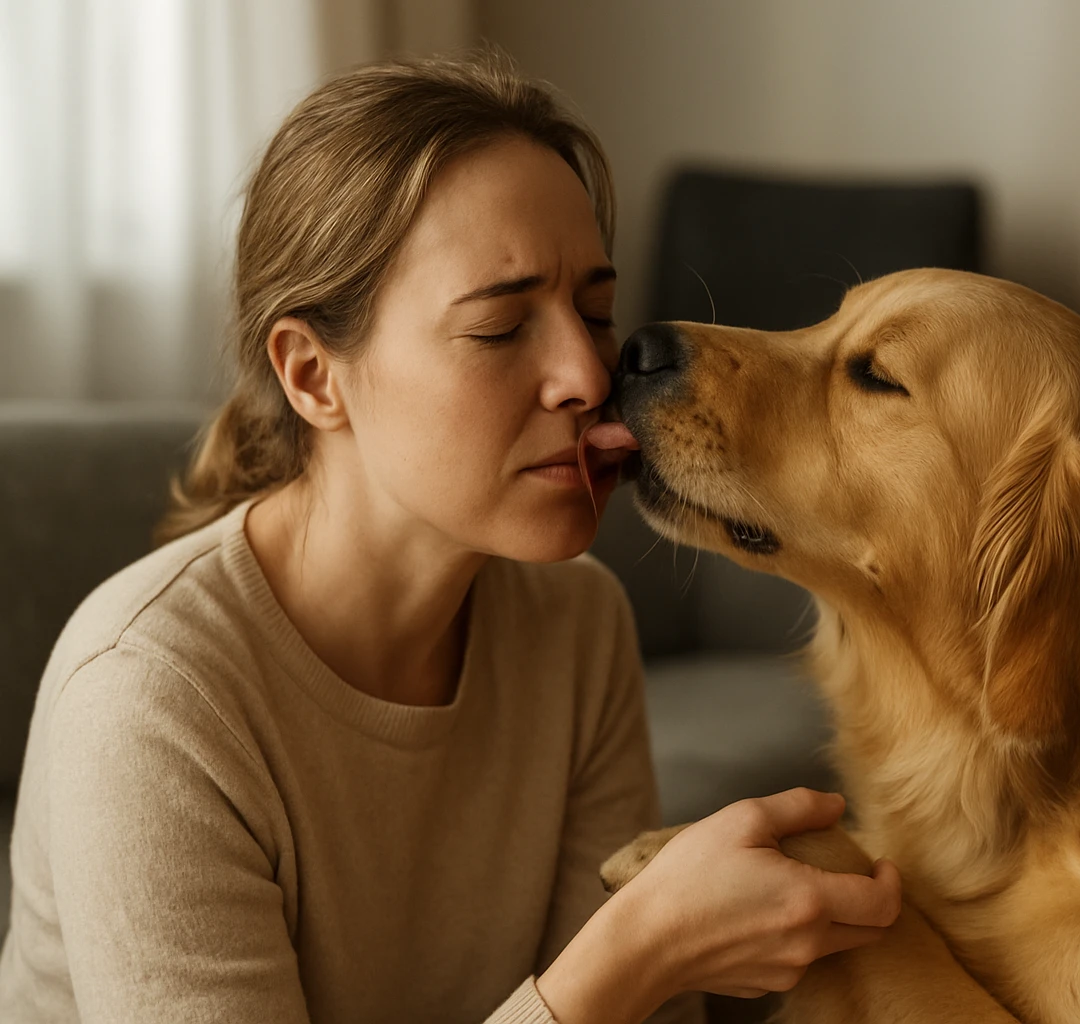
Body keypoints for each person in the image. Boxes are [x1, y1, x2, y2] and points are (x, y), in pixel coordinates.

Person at [0, 54, 901, 1024]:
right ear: (312, 375)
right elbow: (615, 989)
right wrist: (641, 949)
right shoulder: (150, 696)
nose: (587, 376)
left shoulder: (576, 625)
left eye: (593, 312)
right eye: (504, 326)